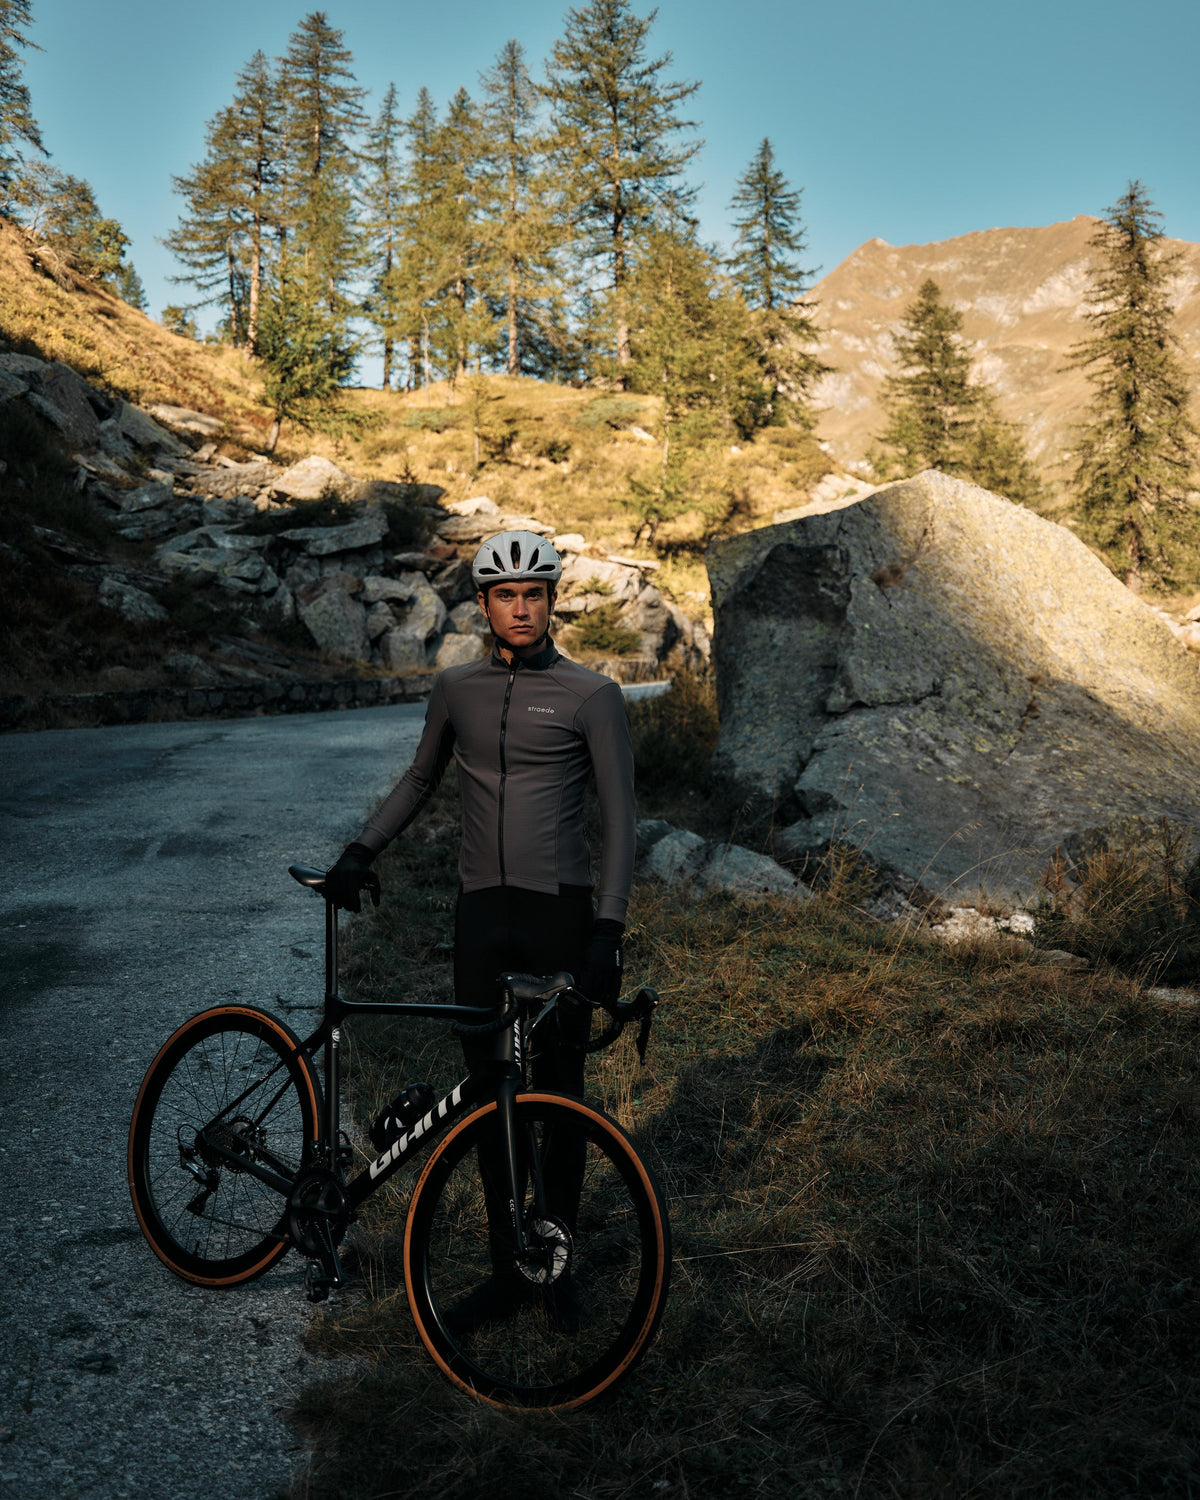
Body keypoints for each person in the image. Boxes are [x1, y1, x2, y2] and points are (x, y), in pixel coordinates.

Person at [323, 529, 637, 1320]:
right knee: (490, 1095)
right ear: (485, 604)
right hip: (481, 919)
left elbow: (623, 823)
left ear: (552, 600)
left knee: (561, 1094)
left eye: (534, 594)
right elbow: (421, 778)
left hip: (559, 915)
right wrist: (362, 849)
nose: (521, 607)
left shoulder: (591, 696)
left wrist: (607, 930)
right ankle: (508, 1268)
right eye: (506, 595)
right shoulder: (456, 689)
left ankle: (556, 1267)